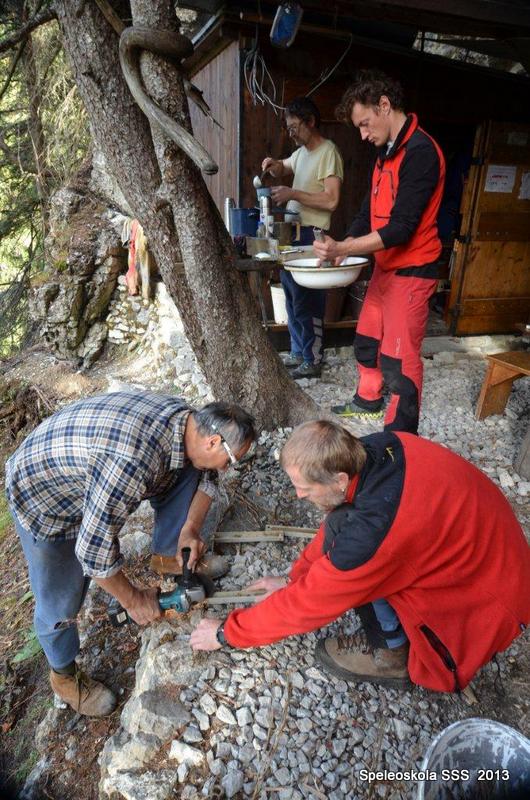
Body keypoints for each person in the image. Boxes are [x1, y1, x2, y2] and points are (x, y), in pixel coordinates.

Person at [191, 421, 530, 695]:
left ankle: (391, 653)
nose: (298, 495)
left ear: (338, 479)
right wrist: (293, 579)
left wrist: (226, 633)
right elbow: (337, 525)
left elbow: (309, 605)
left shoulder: (376, 535)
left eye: (305, 489)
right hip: (482, 546)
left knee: (360, 577)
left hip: (491, 595)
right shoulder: (376, 449)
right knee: (342, 525)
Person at [5, 391, 256, 717]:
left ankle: (171, 556)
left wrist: (190, 529)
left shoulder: (189, 426)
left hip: (94, 467)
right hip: (43, 495)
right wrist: (134, 600)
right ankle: (63, 676)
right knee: (61, 599)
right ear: (213, 441)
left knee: (189, 470)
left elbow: (206, 473)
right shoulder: (133, 459)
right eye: (233, 460)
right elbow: (91, 550)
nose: (228, 468)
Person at [313, 70, 445, 433]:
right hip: (385, 269)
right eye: (359, 127)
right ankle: (368, 401)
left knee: (399, 358)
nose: (363, 134)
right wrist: (342, 249)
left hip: (413, 270)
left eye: (365, 124)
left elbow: (401, 228)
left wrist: (348, 246)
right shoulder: (384, 153)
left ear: (384, 105)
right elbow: (366, 214)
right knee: (367, 339)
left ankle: (400, 434)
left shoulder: (421, 152)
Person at [262, 96, 344, 379]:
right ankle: (299, 352)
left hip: (311, 235)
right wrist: (273, 165)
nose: (292, 132)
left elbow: (332, 200)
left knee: (309, 300)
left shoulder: (327, 152)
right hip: (292, 236)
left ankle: (313, 358)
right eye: (289, 127)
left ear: (311, 121)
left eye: (296, 126)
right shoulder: (301, 153)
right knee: (292, 298)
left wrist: (293, 193)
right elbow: (284, 167)